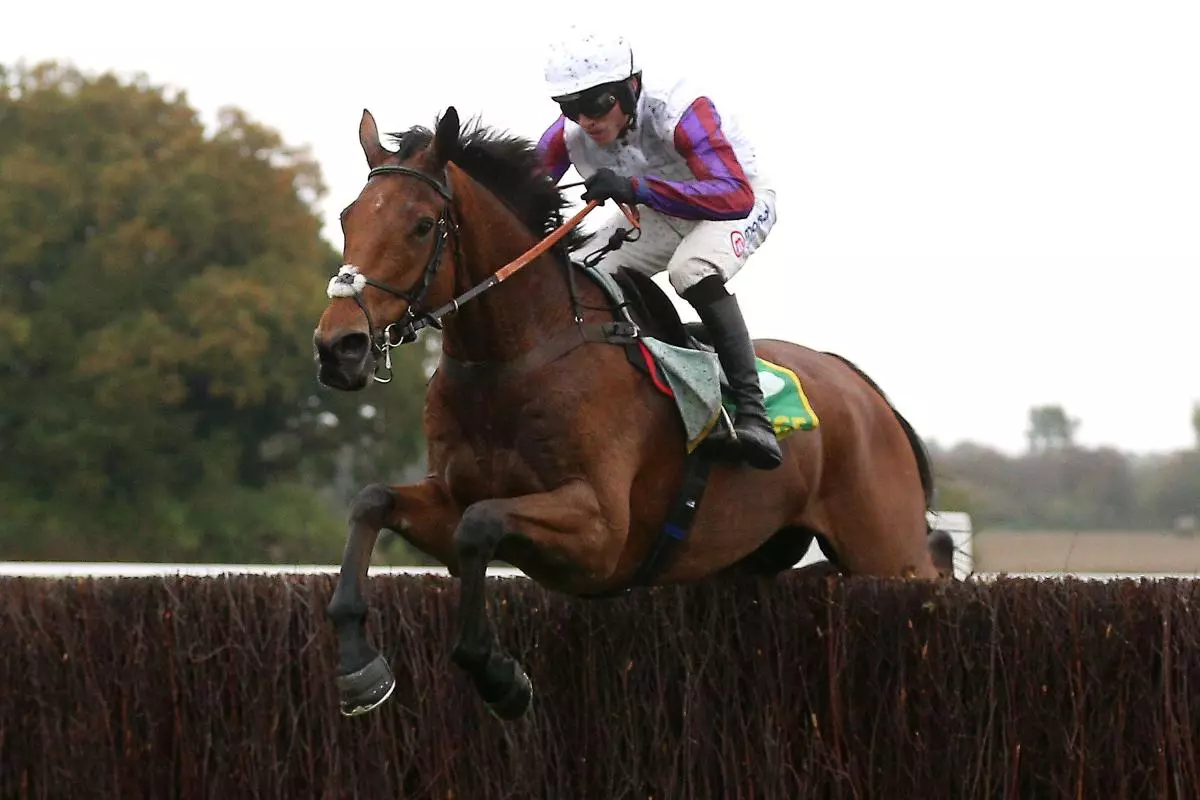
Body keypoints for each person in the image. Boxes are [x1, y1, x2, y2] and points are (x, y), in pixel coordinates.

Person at [535, 26, 783, 470]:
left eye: (597, 103)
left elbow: (734, 196)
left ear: (631, 87)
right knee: (576, 277)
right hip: (656, 212)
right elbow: (521, 193)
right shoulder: (568, 136)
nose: (586, 120)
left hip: (734, 205)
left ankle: (753, 413)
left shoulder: (681, 111)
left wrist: (635, 187)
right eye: (570, 108)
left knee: (690, 271)